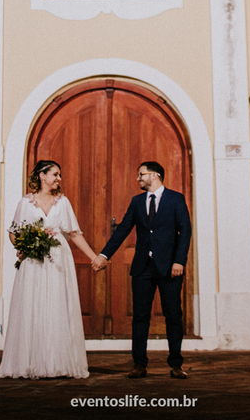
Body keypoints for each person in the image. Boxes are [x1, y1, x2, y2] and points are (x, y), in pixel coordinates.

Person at [0, 160, 104, 379]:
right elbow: (14, 232)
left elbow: (74, 233)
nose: (59, 178)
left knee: (56, 305)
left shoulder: (62, 203)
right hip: (34, 261)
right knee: (32, 306)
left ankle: (57, 362)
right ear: (42, 176)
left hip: (57, 259)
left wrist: (94, 257)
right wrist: (22, 246)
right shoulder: (25, 203)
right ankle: (30, 362)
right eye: (55, 174)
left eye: (59, 175)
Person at [94, 161, 192, 379]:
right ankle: (139, 364)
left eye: (141, 174)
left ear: (155, 175)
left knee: (173, 315)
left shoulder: (176, 199)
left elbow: (185, 231)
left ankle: (176, 364)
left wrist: (179, 261)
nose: (138, 178)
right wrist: (104, 255)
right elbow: (122, 231)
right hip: (142, 268)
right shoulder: (137, 202)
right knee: (140, 316)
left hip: (169, 268)